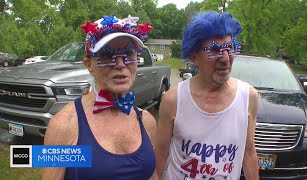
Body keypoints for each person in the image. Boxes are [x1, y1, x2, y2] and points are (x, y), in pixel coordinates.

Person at [43, 14, 158, 180]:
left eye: (129, 54)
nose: (120, 64)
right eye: (107, 55)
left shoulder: (146, 121)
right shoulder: (65, 126)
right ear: (89, 64)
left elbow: (151, 175)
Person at [155, 11, 259, 180]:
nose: (225, 58)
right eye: (215, 50)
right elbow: (160, 153)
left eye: (230, 47)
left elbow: (249, 153)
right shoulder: (174, 100)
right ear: (194, 57)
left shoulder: (249, 97)